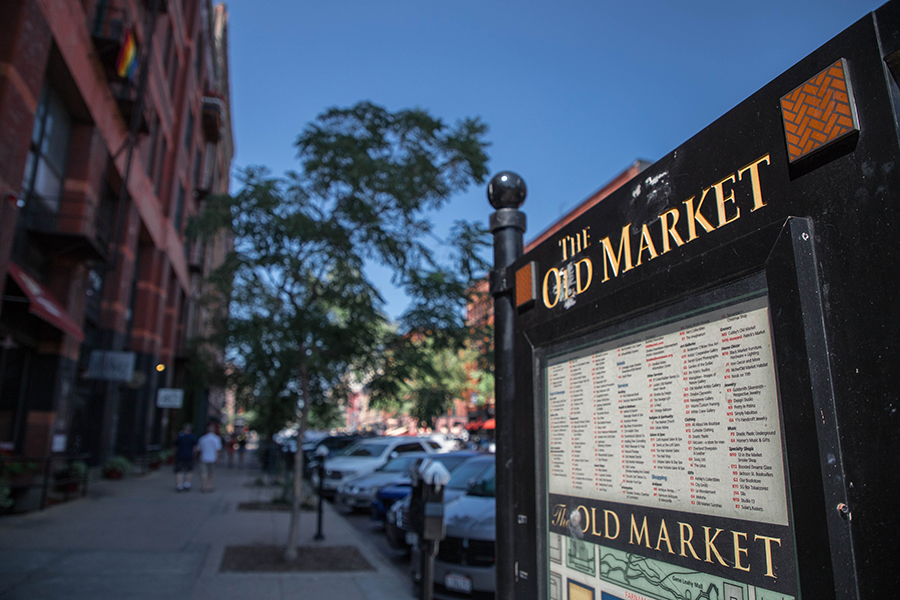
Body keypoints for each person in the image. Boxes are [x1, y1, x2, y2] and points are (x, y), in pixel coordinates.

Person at [197, 423, 223, 492]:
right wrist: (218, 459)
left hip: (203, 457)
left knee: (203, 473)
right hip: (213, 458)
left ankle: (203, 486)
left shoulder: (202, 438)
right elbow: (218, 450)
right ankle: (210, 485)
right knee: (212, 473)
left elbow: (199, 449)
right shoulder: (216, 439)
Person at [174, 423, 197, 492]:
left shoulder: (180, 436)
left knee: (179, 470)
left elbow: (175, 445)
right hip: (189, 455)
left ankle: (179, 485)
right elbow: (195, 448)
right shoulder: (192, 437)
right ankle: (187, 484)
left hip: (180, 455)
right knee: (189, 470)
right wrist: (195, 455)